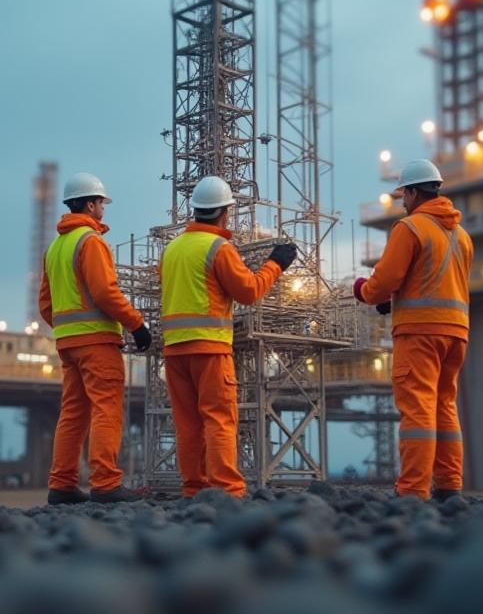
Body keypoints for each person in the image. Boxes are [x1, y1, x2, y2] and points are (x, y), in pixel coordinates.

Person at [160, 176, 297, 497]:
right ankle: (227, 490)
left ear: (195, 210)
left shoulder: (171, 250)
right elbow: (248, 291)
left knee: (187, 423)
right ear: (226, 212)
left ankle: (194, 488)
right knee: (219, 419)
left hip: (175, 351)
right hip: (210, 348)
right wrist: (275, 264)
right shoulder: (218, 248)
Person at [353, 160, 473, 502]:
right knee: (444, 406)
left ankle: (413, 491)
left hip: (419, 333)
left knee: (418, 408)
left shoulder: (410, 228)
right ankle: (449, 486)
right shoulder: (461, 236)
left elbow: (385, 280)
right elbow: (433, 280)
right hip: (456, 332)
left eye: (403, 194)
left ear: (414, 192)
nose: (402, 201)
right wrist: (396, 300)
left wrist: (364, 290)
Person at [40, 172, 152, 505]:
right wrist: (136, 324)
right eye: (101, 203)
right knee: (106, 409)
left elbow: (45, 304)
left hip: (68, 344)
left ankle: (61, 485)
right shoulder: (90, 241)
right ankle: (105, 484)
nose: (103, 209)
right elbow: (105, 292)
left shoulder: (55, 248)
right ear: (90, 204)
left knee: (73, 413)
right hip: (97, 343)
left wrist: (68, 329)